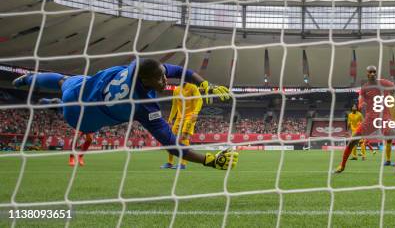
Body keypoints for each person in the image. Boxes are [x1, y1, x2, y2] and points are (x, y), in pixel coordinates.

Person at [13, 58, 238, 170]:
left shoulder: (139, 66)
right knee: (67, 109)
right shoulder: (144, 107)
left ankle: (29, 79)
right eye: (160, 79)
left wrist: (205, 84)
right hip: (82, 114)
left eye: (163, 76)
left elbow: (179, 71)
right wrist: (210, 161)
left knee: (62, 81)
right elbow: (173, 145)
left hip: (85, 86)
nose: (164, 81)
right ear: (145, 81)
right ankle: (54, 104)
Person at [335, 66, 395, 176]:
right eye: (370, 72)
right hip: (370, 120)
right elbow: (361, 100)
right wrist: (360, 104)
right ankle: (342, 165)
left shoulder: (384, 83)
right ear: (367, 74)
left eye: (374, 72)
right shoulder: (364, 88)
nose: (372, 74)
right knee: (352, 141)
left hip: (385, 118)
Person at [160, 83, 203, 170]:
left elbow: (200, 100)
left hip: (190, 117)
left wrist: (196, 112)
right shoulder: (176, 90)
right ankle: (170, 162)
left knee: (184, 137)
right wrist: (170, 118)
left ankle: (183, 164)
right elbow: (174, 105)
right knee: (170, 138)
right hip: (179, 118)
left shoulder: (193, 87)